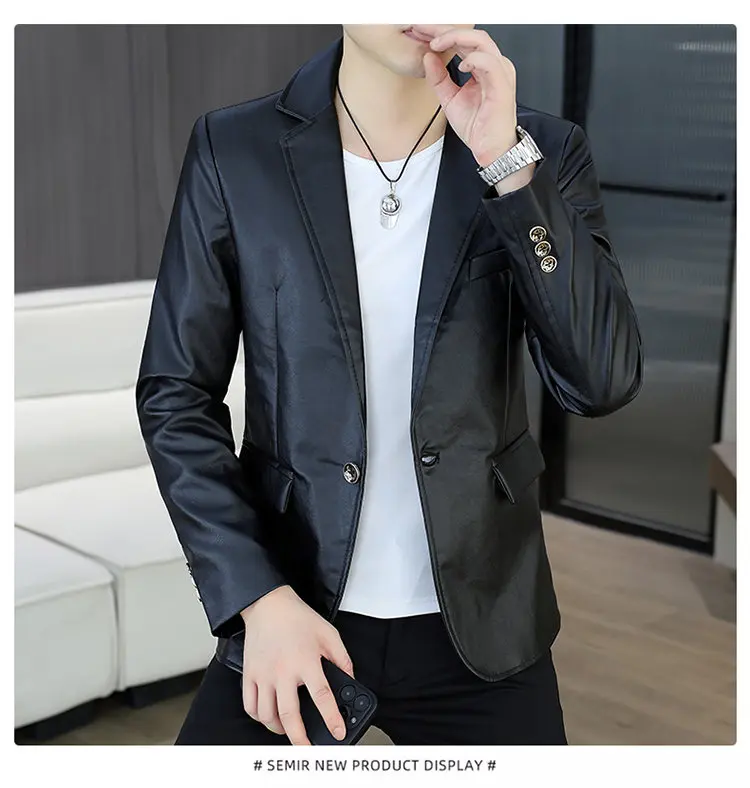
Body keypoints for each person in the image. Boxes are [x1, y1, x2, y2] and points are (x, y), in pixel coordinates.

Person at [136, 24, 643, 746]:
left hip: (485, 616)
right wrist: (258, 596)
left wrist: (506, 166)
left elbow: (601, 380)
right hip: (293, 606)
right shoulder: (235, 148)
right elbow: (175, 395)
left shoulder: (541, 152)